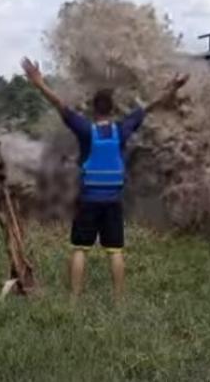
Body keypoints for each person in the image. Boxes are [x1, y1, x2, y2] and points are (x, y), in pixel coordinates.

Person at [21, 57, 188, 300]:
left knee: (80, 249)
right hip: (113, 201)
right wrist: (172, 88)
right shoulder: (122, 129)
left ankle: (74, 300)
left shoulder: (85, 129)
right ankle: (119, 301)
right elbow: (150, 107)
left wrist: (39, 83)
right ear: (112, 109)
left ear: (92, 109)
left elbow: (60, 105)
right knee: (115, 251)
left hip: (88, 199)